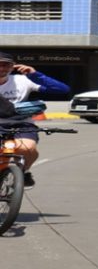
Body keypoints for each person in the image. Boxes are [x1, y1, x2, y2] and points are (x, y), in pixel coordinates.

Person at [0, 52, 70, 187]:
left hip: (22, 123)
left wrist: (35, 75)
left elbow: (62, 89)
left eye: (6, 65)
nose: (2, 68)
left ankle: (23, 172)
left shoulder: (23, 80)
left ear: (12, 66)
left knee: (29, 148)